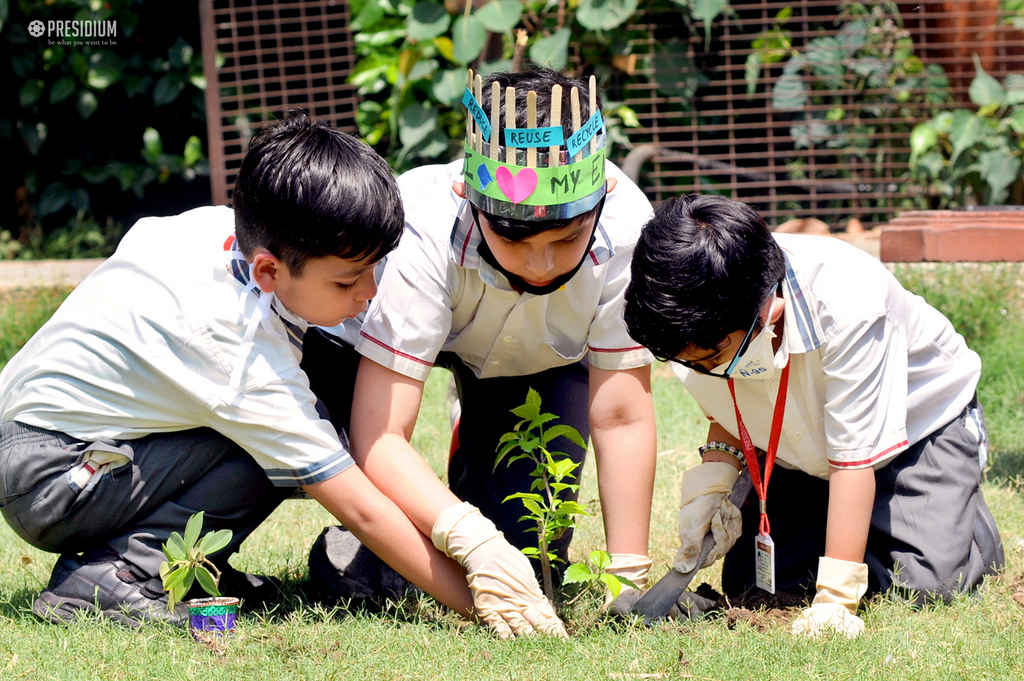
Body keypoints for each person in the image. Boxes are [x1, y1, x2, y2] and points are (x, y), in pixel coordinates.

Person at [0, 113, 563, 638]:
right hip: (55, 479)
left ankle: (189, 571)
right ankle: (124, 574)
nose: (369, 294)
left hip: (51, 448)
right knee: (296, 438)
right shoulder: (234, 353)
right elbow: (356, 504)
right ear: (270, 268)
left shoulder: (215, 229)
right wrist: (487, 600)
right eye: (347, 282)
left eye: (374, 271)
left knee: (309, 408)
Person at [622, 193, 1004, 638]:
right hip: (796, 444)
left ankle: (961, 526)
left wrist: (837, 599)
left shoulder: (847, 300)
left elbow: (853, 457)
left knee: (924, 584)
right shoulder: (689, 316)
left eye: (709, 356)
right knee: (756, 585)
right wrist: (716, 478)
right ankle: (860, 524)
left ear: (768, 311)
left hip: (916, 429)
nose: (697, 366)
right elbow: (728, 395)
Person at [345, 69, 658, 605]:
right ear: (467, 196)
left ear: (602, 197)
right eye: (513, 237)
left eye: (567, 237)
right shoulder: (418, 223)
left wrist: (628, 578)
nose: (541, 264)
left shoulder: (628, 225)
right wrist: (468, 537)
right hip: (392, 348)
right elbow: (380, 433)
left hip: (539, 366)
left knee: (528, 556)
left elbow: (622, 413)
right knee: (384, 570)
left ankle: (476, 445)